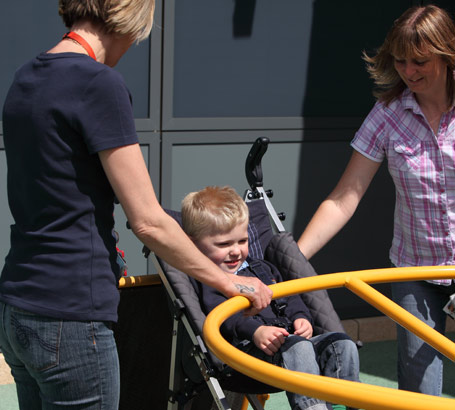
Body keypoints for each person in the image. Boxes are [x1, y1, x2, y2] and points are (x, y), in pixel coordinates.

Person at [0, 1, 271, 409]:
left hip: (18, 305)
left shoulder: (26, 78)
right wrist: (230, 282)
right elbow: (148, 221)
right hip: (71, 314)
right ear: (128, 16)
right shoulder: (97, 84)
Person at [297, 5, 455, 397]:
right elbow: (344, 197)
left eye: (421, 61)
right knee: (419, 395)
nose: (409, 72)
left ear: (448, 55)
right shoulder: (388, 113)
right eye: (400, 61)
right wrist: (293, 259)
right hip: (414, 272)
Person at [181, 186, 360, 410]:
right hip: (248, 354)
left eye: (242, 241)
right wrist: (255, 331)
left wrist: (301, 317)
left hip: (291, 341)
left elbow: (289, 296)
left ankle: (348, 403)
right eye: (224, 244)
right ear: (194, 245)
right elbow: (226, 318)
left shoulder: (262, 268)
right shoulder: (210, 281)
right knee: (299, 348)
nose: (235, 251)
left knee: (341, 344)